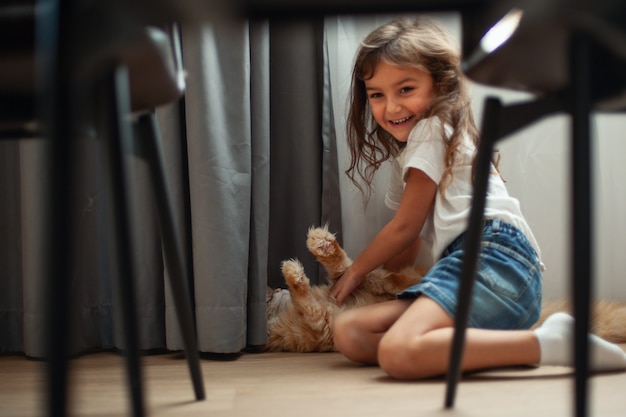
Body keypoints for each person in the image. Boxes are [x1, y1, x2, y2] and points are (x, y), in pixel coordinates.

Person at [329, 16, 626, 380]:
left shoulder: (432, 129)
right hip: (483, 268)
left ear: (441, 86)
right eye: (377, 94)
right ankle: (481, 348)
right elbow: (408, 242)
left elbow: (404, 228)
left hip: (493, 258)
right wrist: (386, 285)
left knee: (396, 352)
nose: (390, 108)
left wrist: (355, 272)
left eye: (405, 89)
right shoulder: (415, 154)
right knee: (352, 333)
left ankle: (555, 345)